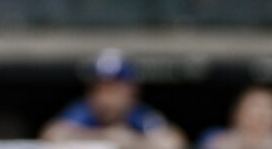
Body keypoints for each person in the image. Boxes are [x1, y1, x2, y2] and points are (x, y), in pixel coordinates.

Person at [39, 49, 187, 149]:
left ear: (130, 91)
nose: (105, 98)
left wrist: (131, 141)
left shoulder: (138, 114)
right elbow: (51, 134)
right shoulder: (84, 111)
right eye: (99, 89)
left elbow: (173, 141)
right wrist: (105, 137)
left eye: (113, 90)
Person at [199, 86, 272, 149]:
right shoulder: (215, 139)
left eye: (268, 107)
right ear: (237, 112)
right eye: (253, 105)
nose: (260, 114)